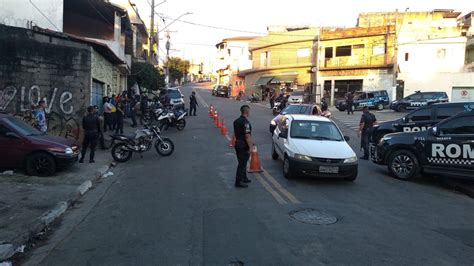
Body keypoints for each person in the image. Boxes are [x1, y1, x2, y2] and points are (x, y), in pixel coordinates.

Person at [233, 105, 255, 188]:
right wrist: (250, 147)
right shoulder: (246, 123)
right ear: (247, 112)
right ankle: (238, 181)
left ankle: (244, 177)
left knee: (242, 162)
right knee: (242, 164)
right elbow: (247, 136)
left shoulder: (236, 121)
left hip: (237, 143)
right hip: (243, 145)